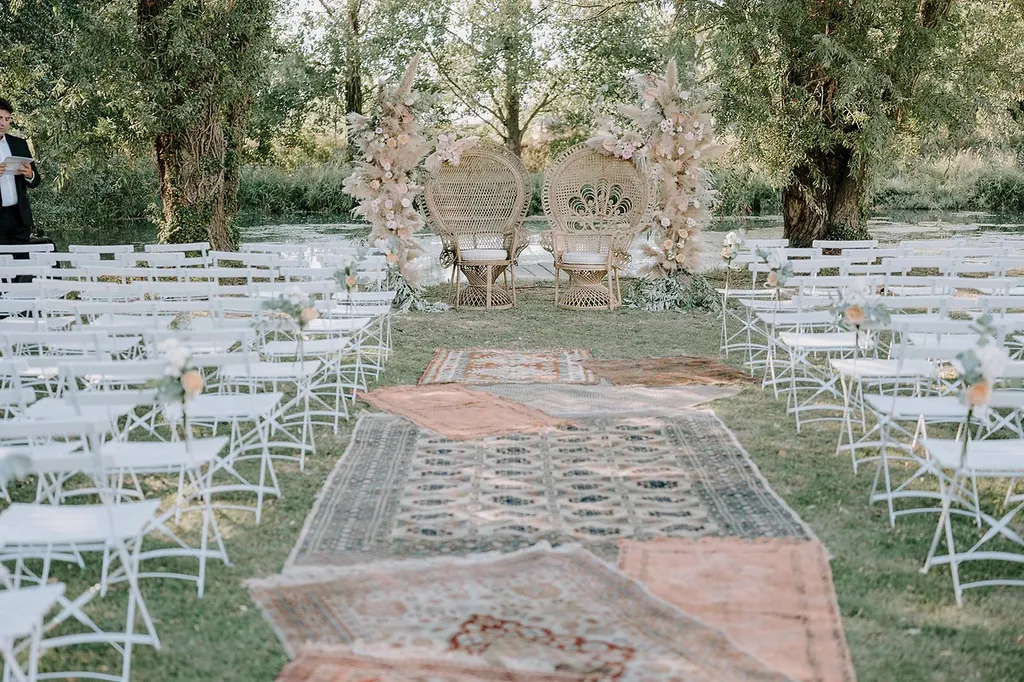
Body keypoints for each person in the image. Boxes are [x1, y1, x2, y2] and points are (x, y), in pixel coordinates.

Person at [0, 98, 41, 253]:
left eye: (7, 119)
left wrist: (30, 174)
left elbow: (35, 180)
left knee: (23, 266)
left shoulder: (19, 144)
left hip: (19, 217)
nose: (3, 123)